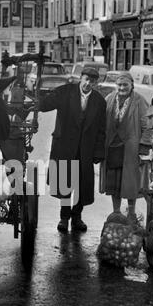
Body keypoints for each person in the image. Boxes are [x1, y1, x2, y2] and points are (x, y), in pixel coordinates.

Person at [39, 67, 107, 232]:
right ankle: (63, 218)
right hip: (64, 147)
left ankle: (77, 217)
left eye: (92, 81)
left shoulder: (99, 101)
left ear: (95, 83)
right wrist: (38, 98)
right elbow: (46, 104)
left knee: (81, 186)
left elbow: (101, 130)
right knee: (64, 183)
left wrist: (98, 152)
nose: (88, 83)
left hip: (85, 149)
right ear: (80, 79)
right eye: (85, 79)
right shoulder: (66, 92)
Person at [99, 72, 152, 221]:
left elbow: (147, 125)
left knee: (130, 183)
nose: (122, 88)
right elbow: (101, 122)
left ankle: (132, 213)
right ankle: (116, 212)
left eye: (125, 85)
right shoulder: (109, 99)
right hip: (112, 147)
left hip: (130, 148)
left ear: (131, 85)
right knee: (114, 183)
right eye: (119, 85)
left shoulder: (139, 101)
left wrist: (144, 145)